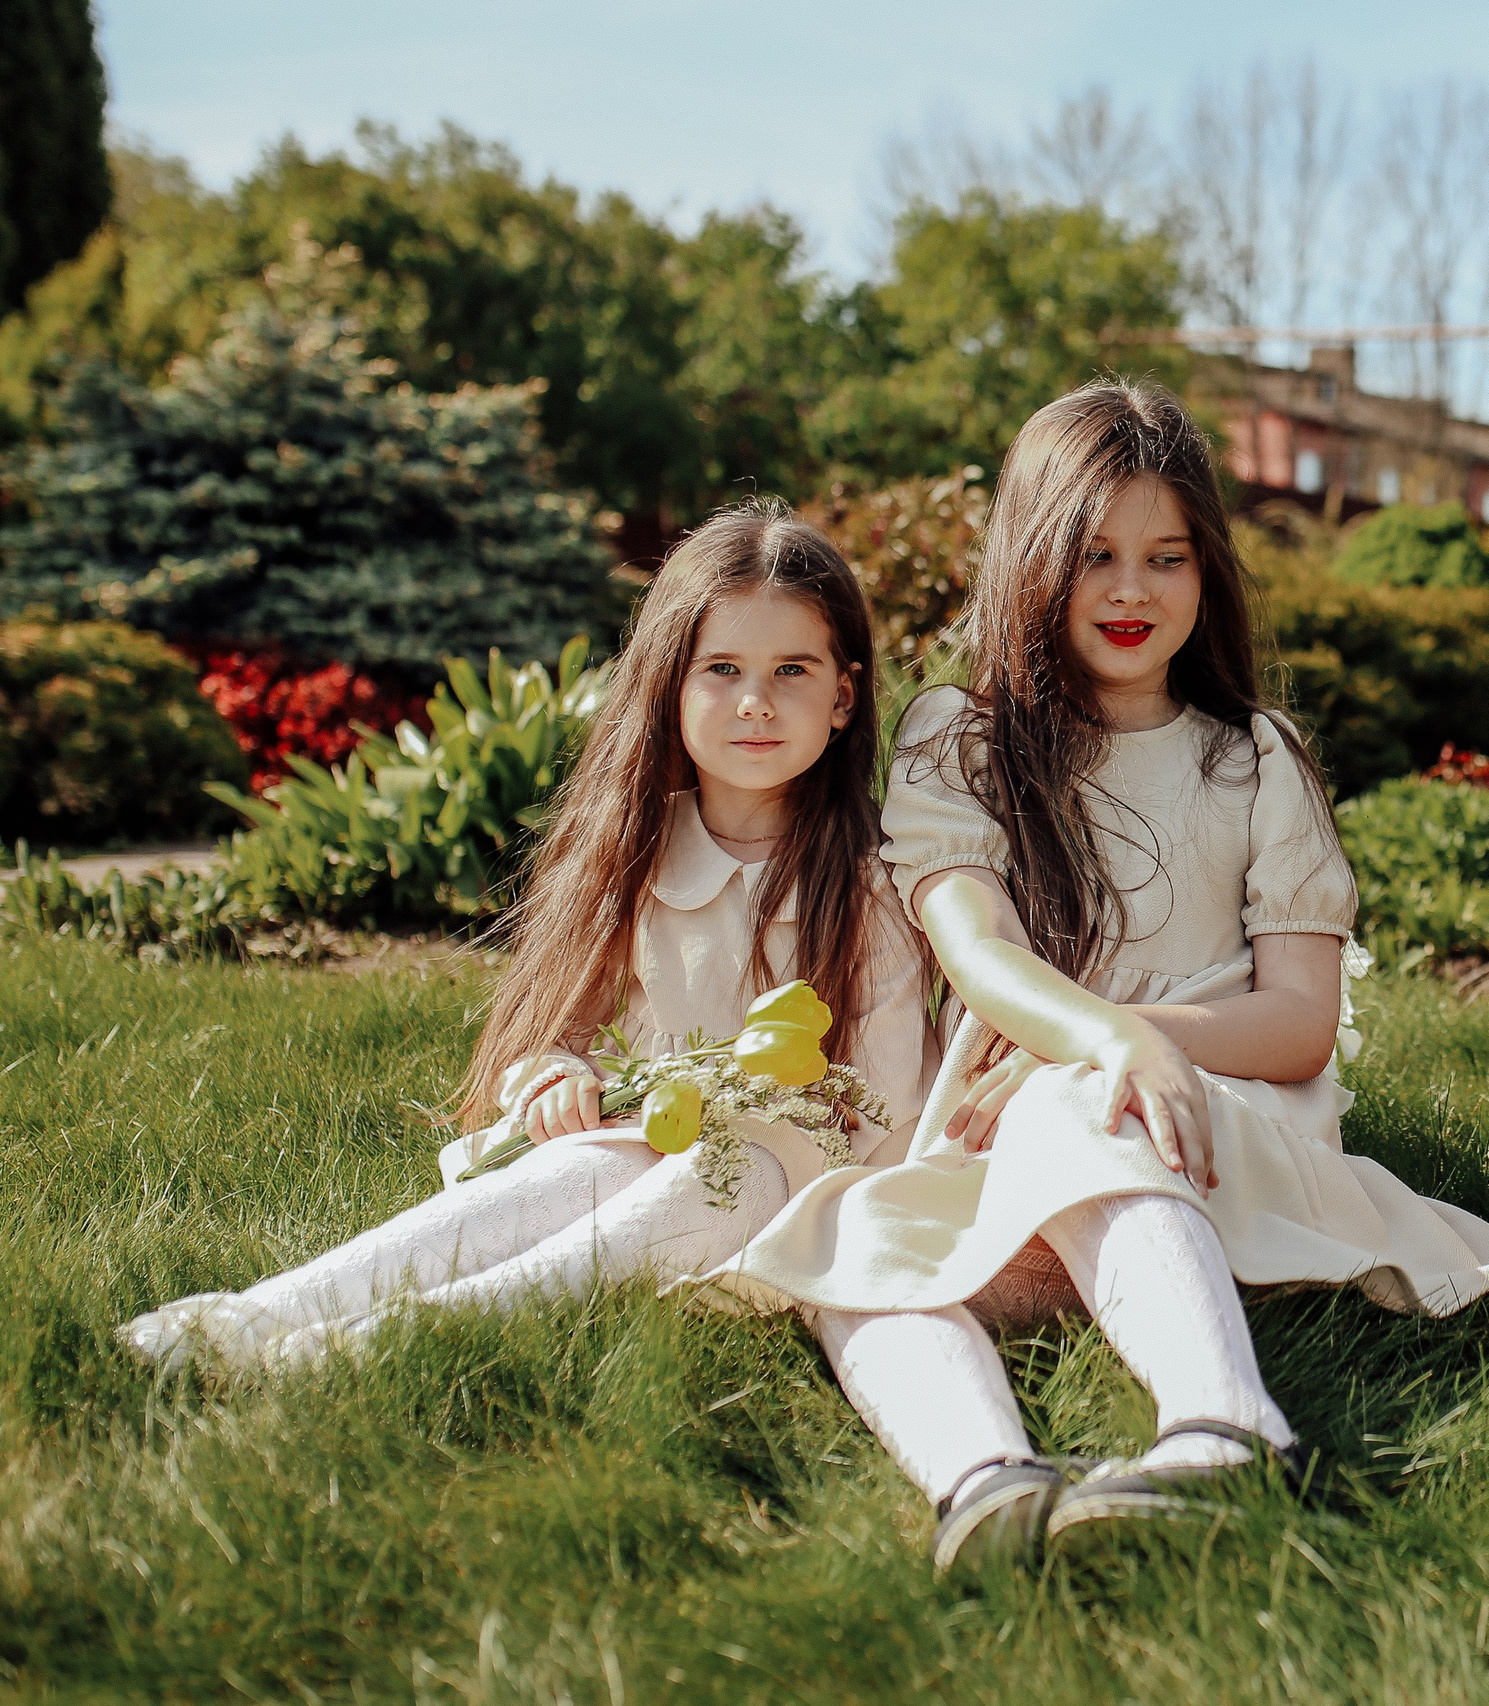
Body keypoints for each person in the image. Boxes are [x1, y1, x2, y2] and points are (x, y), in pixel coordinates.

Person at [699, 382, 1489, 1574]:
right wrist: (1100, 1042)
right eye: (1095, 555)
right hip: (1010, 1155)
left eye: (1166, 556)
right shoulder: (959, 739)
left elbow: (1299, 1021)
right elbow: (977, 947)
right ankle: (986, 1483)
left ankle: (1230, 1429)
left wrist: (1124, 1039)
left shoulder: (1254, 758)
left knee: (1074, 1097)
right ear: (1034, 558)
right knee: (848, 1243)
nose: (1131, 590)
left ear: (1209, 570)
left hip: (1220, 1132)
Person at [120, 500, 937, 1369]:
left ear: (842, 696)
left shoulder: (869, 884)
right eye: (722, 668)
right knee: (570, 1176)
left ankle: (370, 1347)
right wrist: (555, 1075)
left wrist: (733, 1121)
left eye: (792, 671)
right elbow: (555, 1034)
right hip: (641, 1138)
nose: (755, 703)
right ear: (669, 685)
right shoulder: (635, 854)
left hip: (791, 1184)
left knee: (706, 1179)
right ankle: (260, 1314)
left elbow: (878, 1107)